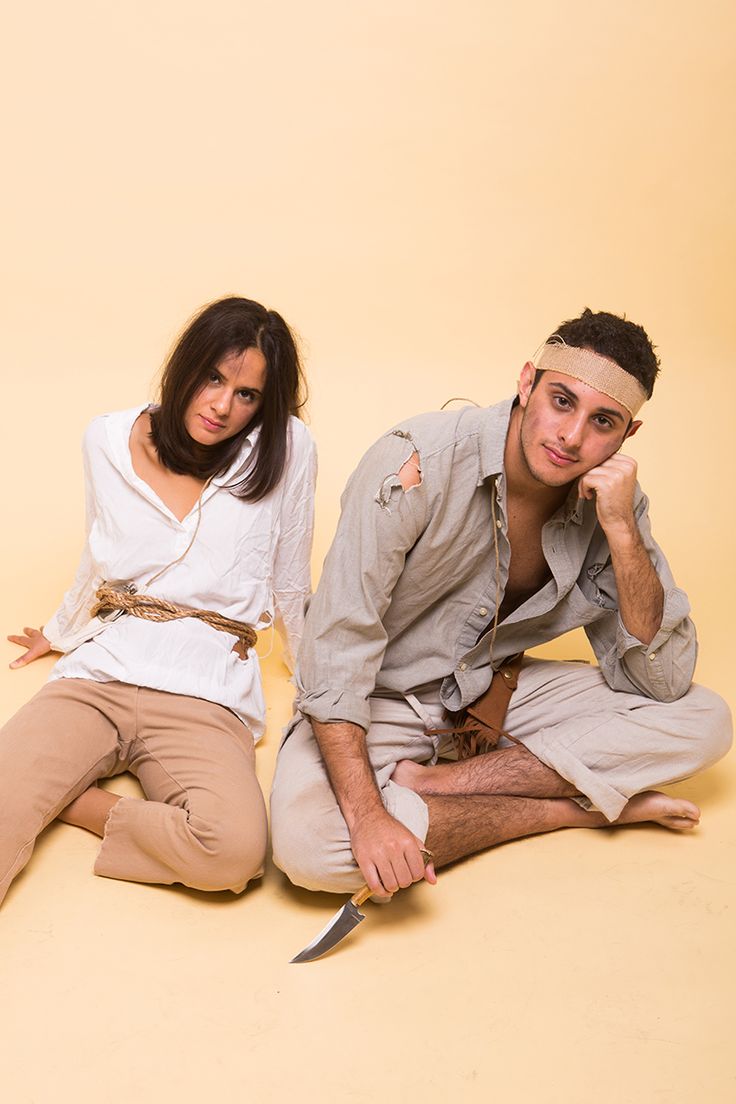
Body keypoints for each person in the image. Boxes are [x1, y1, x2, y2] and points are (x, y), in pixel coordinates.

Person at [271, 308, 731, 899]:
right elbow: (336, 648)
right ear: (526, 383)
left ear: (627, 437)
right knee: (313, 851)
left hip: (493, 694)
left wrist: (621, 529)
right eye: (561, 401)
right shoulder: (416, 463)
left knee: (705, 721)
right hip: (380, 698)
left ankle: (443, 784)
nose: (572, 436)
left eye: (604, 421)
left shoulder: (613, 501)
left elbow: (661, 680)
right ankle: (575, 811)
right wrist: (368, 818)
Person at [1, 296, 316, 906]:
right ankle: (39, 788)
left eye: (247, 394)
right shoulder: (107, 438)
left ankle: (70, 798)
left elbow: (289, 583)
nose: (223, 405)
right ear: (186, 367)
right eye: (213, 378)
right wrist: (61, 631)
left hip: (206, 691)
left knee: (232, 851)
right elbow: (98, 554)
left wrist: (317, 682)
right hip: (102, 668)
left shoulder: (289, 447)